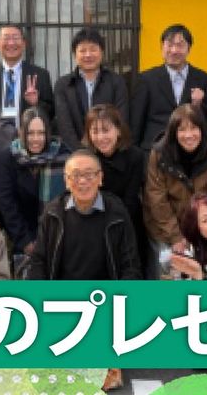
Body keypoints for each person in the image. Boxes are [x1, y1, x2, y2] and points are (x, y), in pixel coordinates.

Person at [26, 148, 141, 392]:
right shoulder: (53, 212)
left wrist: (120, 304)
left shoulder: (117, 212)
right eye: (76, 175)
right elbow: (39, 261)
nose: (83, 181)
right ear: (66, 181)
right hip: (62, 302)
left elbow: (130, 265)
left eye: (89, 174)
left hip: (104, 304)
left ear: (100, 178)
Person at [144, 104, 207, 255]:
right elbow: (156, 198)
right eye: (182, 129)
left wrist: (196, 231)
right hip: (163, 227)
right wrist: (175, 236)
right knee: (166, 266)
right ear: (173, 132)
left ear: (202, 129)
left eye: (194, 128)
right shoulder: (159, 154)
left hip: (200, 226)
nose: (188, 135)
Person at [131, 24, 207, 151]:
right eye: (169, 45)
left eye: (180, 45)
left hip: (190, 150)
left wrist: (198, 105)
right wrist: (135, 153)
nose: (174, 50)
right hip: (155, 149)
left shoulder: (203, 79)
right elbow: (136, 121)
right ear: (162, 47)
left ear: (189, 49)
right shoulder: (146, 79)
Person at [0, 107, 70, 255]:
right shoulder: (9, 156)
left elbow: (69, 200)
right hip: (22, 236)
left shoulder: (63, 155)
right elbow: (7, 202)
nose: (36, 139)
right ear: (21, 132)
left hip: (59, 234)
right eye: (30, 133)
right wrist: (25, 241)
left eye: (41, 133)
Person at [82, 104, 146, 264]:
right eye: (95, 131)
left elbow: (130, 201)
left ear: (118, 130)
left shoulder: (135, 156)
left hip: (128, 223)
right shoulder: (85, 159)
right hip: (93, 225)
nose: (101, 137)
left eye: (106, 130)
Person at [55, 28, 129, 151]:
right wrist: (81, 152)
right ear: (75, 54)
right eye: (82, 50)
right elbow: (65, 125)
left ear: (102, 52)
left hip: (111, 151)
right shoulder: (64, 85)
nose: (88, 55)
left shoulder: (116, 82)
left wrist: (109, 149)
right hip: (76, 154)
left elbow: (121, 119)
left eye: (93, 49)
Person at [0, 24, 54, 129]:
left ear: (24, 44)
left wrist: (35, 103)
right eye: (6, 38)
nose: (11, 43)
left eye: (16, 38)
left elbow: (51, 112)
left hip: (27, 136)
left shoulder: (40, 74)